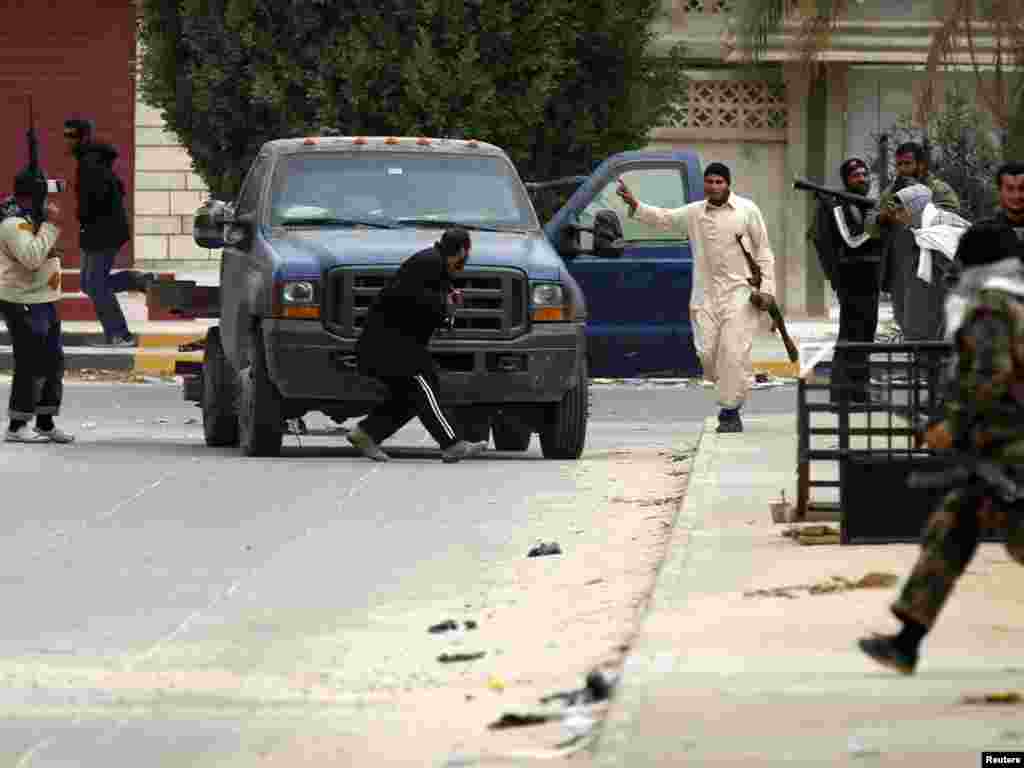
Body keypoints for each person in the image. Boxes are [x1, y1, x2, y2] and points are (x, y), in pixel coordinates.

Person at [617, 162, 776, 433]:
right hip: (705, 295)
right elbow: (664, 217)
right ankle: (732, 386)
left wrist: (768, 291)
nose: (714, 187)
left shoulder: (747, 211)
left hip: (741, 294)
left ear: (728, 184)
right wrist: (635, 204)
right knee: (708, 354)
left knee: (732, 352)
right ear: (705, 184)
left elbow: (763, 251)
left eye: (719, 182)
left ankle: (730, 411)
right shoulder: (695, 213)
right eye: (710, 182)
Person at [346, 228, 488, 463]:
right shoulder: (429, 264)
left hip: (395, 344)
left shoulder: (436, 265)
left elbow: (428, 309)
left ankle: (366, 433)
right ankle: (452, 444)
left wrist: (446, 309)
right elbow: (418, 304)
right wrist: (445, 306)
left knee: (414, 395)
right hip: (389, 345)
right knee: (423, 385)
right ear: (464, 250)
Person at [64, 117, 155, 348]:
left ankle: (119, 335)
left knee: (95, 284)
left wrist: (84, 214)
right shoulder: (89, 159)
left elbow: (99, 197)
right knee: (88, 284)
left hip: (101, 231)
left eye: (72, 135)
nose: (68, 140)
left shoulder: (91, 162)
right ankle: (135, 280)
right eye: (66, 135)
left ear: (84, 137)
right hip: (96, 229)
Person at [0, 172, 74, 443]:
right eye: (44, 196)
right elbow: (31, 258)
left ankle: (45, 421)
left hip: (45, 299)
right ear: (31, 197)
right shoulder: (12, 222)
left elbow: (47, 250)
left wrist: (52, 229)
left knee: (52, 363)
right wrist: (51, 226)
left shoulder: (35, 220)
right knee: (31, 364)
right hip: (23, 302)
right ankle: (17, 425)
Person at [810, 157, 883, 403]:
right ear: (846, 180)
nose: (861, 179)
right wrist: (878, 225)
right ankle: (841, 394)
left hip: (871, 280)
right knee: (850, 337)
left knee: (866, 338)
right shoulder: (838, 205)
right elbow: (851, 240)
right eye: (855, 176)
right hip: (851, 282)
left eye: (864, 174)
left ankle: (859, 392)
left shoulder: (866, 205)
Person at [869, 142, 961, 337]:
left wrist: (917, 204)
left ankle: (932, 366)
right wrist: (882, 218)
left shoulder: (939, 189)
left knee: (930, 328)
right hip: (900, 273)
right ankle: (919, 366)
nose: (902, 169)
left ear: (921, 165)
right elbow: (870, 226)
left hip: (929, 271)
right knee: (907, 326)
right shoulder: (891, 192)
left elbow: (950, 219)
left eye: (907, 164)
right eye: (899, 164)